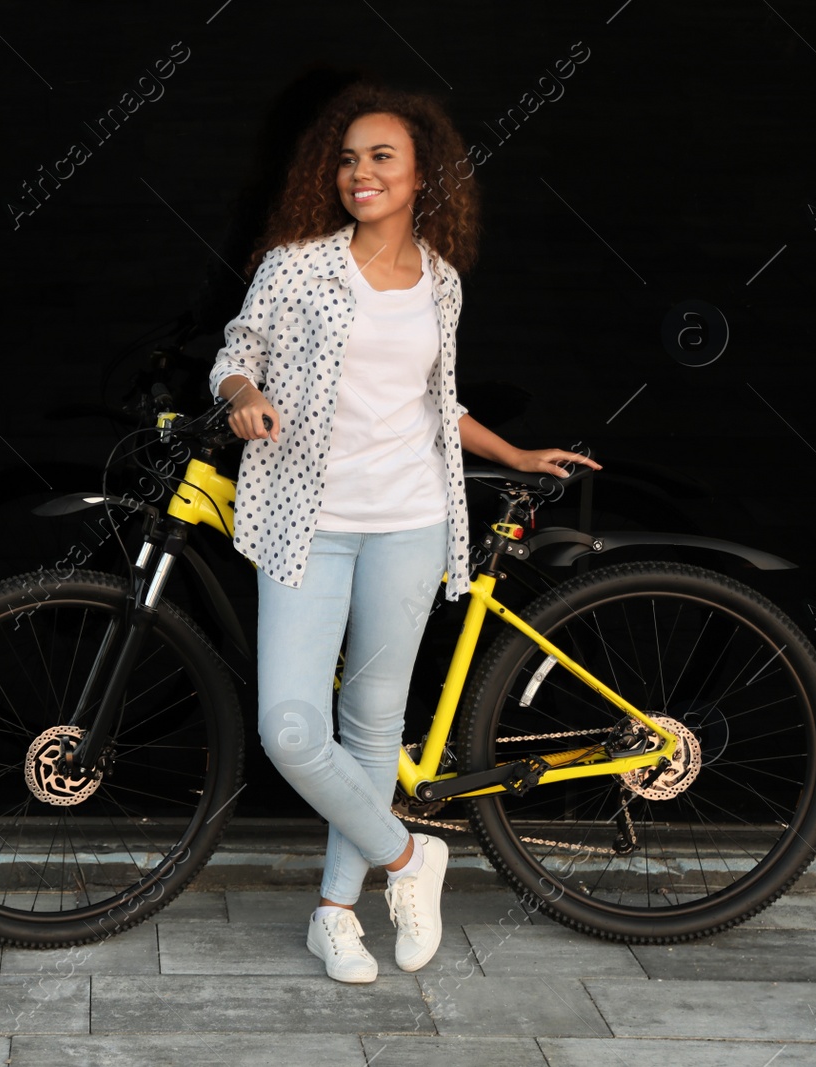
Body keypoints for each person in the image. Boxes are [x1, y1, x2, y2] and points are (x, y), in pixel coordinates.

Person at [207, 84, 600, 984]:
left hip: (414, 521)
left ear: (423, 172)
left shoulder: (441, 281)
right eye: (347, 158)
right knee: (291, 727)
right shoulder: (296, 265)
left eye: (381, 156)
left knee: (373, 726)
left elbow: (436, 404)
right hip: (307, 521)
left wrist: (516, 452)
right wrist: (243, 395)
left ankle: (335, 914)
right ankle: (409, 856)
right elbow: (239, 350)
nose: (360, 172)